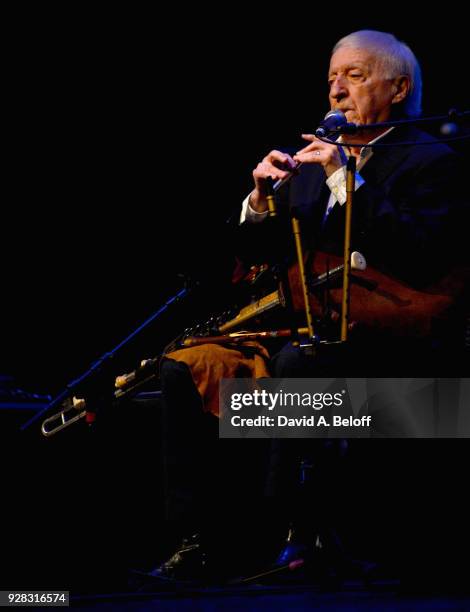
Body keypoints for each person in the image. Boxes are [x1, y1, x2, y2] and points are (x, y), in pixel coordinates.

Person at [148, 30, 468, 585]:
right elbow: (248, 270)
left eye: (354, 76)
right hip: (313, 338)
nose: (336, 91)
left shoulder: (433, 161)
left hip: (400, 348)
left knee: (302, 363)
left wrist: (347, 179)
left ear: (399, 88)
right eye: (330, 79)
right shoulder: (313, 167)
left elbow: (421, 250)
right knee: (185, 366)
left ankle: (295, 537)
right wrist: (257, 202)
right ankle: (198, 541)